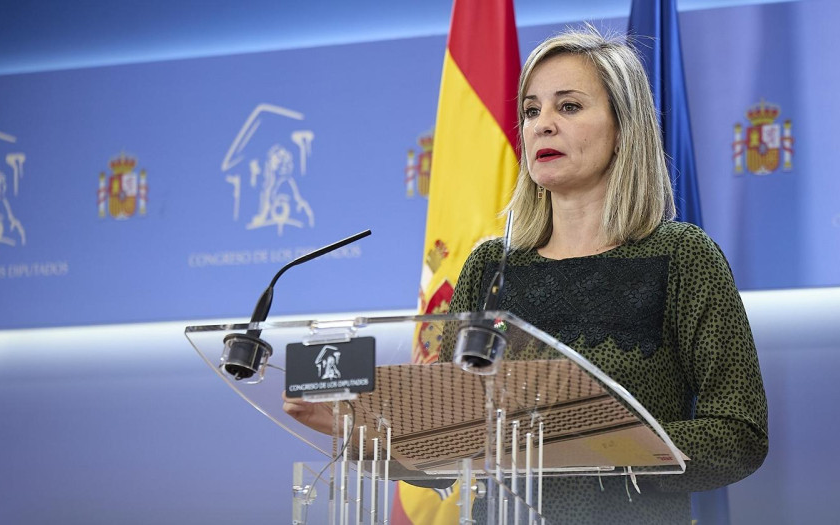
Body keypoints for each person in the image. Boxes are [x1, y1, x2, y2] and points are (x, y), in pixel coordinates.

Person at [286, 26, 768, 524]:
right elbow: (447, 450)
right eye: (532, 111)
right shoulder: (491, 267)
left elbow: (739, 435)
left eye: (570, 106)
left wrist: (592, 442)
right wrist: (358, 428)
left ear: (624, 126)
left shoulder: (683, 256)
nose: (542, 125)